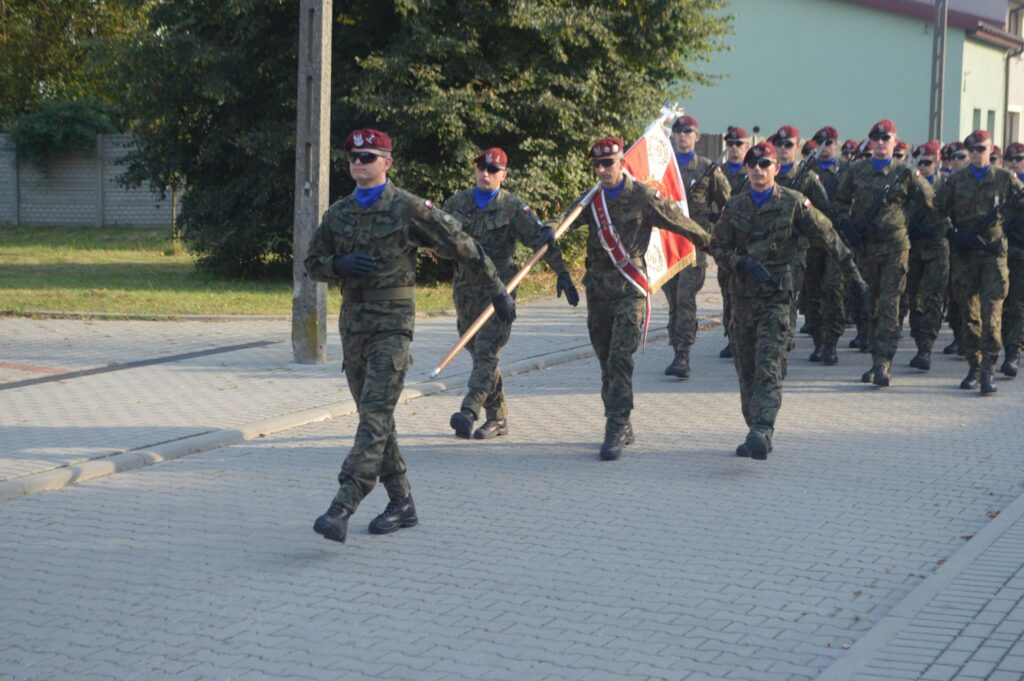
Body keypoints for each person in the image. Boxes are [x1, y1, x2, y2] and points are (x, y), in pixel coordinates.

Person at [304, 128, 516, 543]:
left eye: (368, 156)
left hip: (393, 327)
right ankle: (402, 502)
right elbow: (312, 263)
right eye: (353, 157)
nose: (358, 163)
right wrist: (338, 265)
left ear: (387, 162)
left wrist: (497, 289)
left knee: (374, 416)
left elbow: (461, 243)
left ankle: (343, 504)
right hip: (354, 327)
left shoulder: (408, 208)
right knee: (376, 418)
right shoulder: (339, 214)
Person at [711, 141, 866, 459]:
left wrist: (855, 278)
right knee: (746, 370)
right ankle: (755, 427)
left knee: (768, 365)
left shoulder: (793, 203)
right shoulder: (735, 205)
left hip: (776, 299)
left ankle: (762, 428)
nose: (758, 170)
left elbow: (829, 237)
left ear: (776, 169)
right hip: (742, 300)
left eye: (765, 164)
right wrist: (740, 263)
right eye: (753, 165)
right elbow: (717, 247)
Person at [566, 135, 710, 460]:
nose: (602, 170)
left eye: (608, 163)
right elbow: (563, 222)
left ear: (621, 162)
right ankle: (622, 419)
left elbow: (682, 224)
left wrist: (722, 250)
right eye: (597, 165)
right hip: (598, 291)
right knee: (606, 360)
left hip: (629, 290)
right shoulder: (592, 199)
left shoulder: (644, 197)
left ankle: (615, 426)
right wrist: (548, 230)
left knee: (620, 358)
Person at [443, 147, 578, 439]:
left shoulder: (512, 208)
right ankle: (498, 418)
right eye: (481, 168)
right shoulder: (456, 203)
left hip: (499, 291)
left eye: (493, 170)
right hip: (465, 289)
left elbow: (541, 240)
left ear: (504, 175)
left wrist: (563, 274)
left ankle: (468, 411)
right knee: (476, 351)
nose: (486, 174)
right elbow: (438, 241)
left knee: (487, 351)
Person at [834, 119, 937, 387]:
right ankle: (874, 359)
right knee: (870, 305)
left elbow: (930, 203)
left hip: (895, 248)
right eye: (876, 138)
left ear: (894, 141)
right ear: (871, 142)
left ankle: (883, 362)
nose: (880, 143)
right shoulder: (856, 170)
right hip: (866, 247)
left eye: (886, 138)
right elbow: (839, 202)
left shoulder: (905, 173)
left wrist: (912, 222)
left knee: (890, 305)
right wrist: (846, 224)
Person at [935, 130, 1022, 394]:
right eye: (971, 150)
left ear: (990, 149)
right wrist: (951, 234)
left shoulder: (1005, 179)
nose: (976, 154)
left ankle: (988, 371)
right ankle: (974, 365)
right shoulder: (955, 181)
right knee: (969, 316)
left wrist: (1010, 229)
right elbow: (937, 211)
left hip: (994, 256)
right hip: (966, 256)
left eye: (981, 149)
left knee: (992, 314)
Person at [663, 115, 731, 379]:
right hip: (668, 245)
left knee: (685, 296)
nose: (682, 136)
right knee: (673, 301)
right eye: (678, 132)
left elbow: (729, 205)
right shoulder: (664, 167)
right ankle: (676, 346)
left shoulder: (707, 168)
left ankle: (683, 353)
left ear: (696, 136)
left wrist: (718, 233)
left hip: (694, 247)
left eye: (687, 132)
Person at [770, 125, 832, 370]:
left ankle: (809, 344)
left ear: (796, 147)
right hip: (769, 250)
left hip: (799, 249)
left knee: (798, 298)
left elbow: (824, 210)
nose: (783, 149)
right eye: (780, 144)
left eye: (789, 145)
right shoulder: (767, 174)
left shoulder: (808, 177)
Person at [802, 125, 849, 365]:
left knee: (832, 289)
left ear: (836, 144)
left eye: (829, 143)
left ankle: (831, 342)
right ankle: (818, 341)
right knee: (812, 291)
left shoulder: (847, 170)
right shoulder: (807, 171)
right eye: (820, 144)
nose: (825, 148)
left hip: (836, 239)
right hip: (812, 240)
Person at [904, 140, 951, 371]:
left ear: (937, 162)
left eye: (927, 162)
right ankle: (918, 339)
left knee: (933, 298)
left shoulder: (946, 185)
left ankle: (926, 348)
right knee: (914, 298)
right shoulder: (908, 185)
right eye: (919, 163)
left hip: (936, 247)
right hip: (914, 247)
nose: (922, 167)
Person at [718, 125, 751, 359]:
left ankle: (745, 336)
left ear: (747, 146)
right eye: (730, 144)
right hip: (725, 241)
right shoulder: (717, 172)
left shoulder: (755, 172)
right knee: (727, 292)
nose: (734, 148)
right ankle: (731, 337)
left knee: (743, 293)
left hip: (746, 242)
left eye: (738, 144)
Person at [1001, 142, 1024, 376]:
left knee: (1016, 305)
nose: (1015, 163)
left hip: (1021, 253)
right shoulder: (1000, 184)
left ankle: (1013, 352)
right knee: (1001, 304)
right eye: (1010, 159)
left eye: (1019, 159)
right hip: (1000, 252)